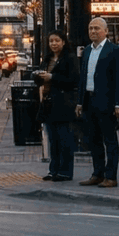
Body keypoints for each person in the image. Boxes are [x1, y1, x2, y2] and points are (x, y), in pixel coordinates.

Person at [76, 17, 119, 188]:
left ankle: (111, 176)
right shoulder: (86, 51)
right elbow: (83, 78)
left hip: (107, 103)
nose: (93, 31)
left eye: (97, 28)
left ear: (105, 31)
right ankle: (97, 174)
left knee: (110, 140)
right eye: (90, 28)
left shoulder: (114, 51)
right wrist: (79, 102)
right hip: (89, 102)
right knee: (94, 140)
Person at [34, 32, 77, 182]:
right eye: (51, 41)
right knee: (52, 140)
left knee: (64, 139)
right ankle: (54, 170)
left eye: (57, 41)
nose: (54, 44)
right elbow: (39, 79)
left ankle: (65, 172)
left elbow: (73, 80)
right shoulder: (47, 59)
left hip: (63, 103)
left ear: (63, 42)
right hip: (48, 103)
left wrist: (52, 77)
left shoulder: (70, 59)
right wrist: (38, 76)